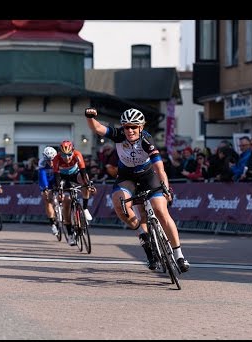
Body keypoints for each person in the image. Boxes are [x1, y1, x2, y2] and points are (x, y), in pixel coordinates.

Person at [84, 107, 189, 272]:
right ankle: (144, 235)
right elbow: (97, 128)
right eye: (127, 127)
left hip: (148, 176)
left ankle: (179, 255)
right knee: (120, 205)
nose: (130, 130)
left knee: (160, 211)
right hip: (127, 177)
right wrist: (89, 117)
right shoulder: (118, 135)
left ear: (141, 127)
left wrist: (166, 188)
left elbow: (160, 168)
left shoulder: (147, 140)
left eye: (134, 126)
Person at [52, 140, 93, 246]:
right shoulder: (56, 159)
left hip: (75, 175)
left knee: (85, 180)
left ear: (73, 151)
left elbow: (83, 171)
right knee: (66, 202)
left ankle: (85, 208)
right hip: (63, 178)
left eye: (69, 154)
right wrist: (59, 189)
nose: (67, 158)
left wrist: (88, 184)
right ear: (60, 153)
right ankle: (70, 234)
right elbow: (56, 176)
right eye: (63, 155)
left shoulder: (77, 155)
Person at [38, 146, 59, 236]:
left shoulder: (59, 160)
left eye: (52, 160)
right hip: (47, 180)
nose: (50, 163)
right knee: (47, 199)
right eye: (48, 160)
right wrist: (45, 188)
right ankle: (53, 223)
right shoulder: (42, 162)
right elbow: (42, 176)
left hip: (56, 179)